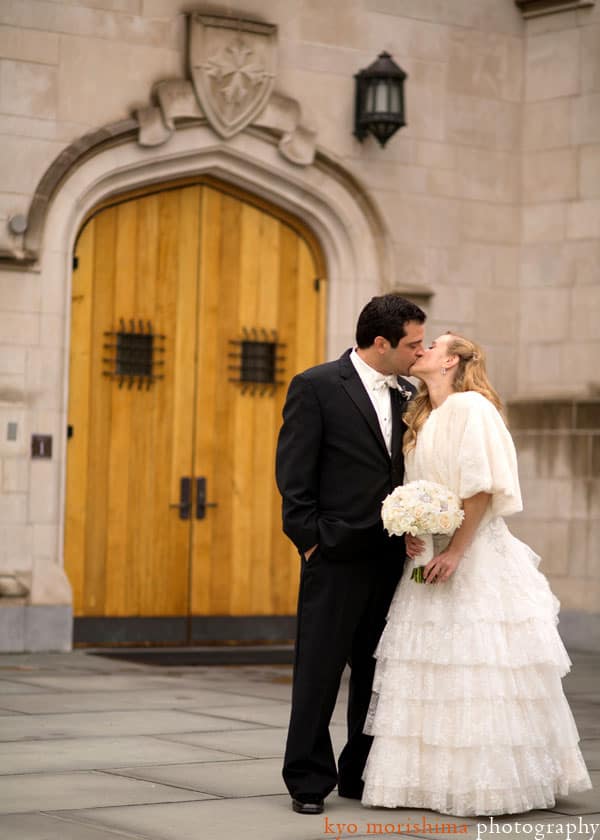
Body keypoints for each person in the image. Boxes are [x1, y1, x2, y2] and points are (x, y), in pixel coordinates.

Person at [361, 332, 592, 816]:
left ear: (451, 361)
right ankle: (426, 781)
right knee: (433, 667)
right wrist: (411, 527)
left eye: (431, 345)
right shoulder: (423, 415)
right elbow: (420, 489)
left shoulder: (473, 409)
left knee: (478, 666)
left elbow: (481, 489)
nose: (420, 350)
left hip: (472, 554)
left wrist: (457, 553)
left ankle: (486, 784)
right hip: (428, 556)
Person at [275, 294, 426, 815]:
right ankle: (307, 780)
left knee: (374, 670)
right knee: (318, 670)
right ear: (380, 342)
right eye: (412, 344)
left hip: (391, 557)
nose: (418, 352)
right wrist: (310, 539)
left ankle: (359, 773)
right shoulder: (315, 386)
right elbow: (294, 474)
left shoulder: (409, 391)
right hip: (334, 554)